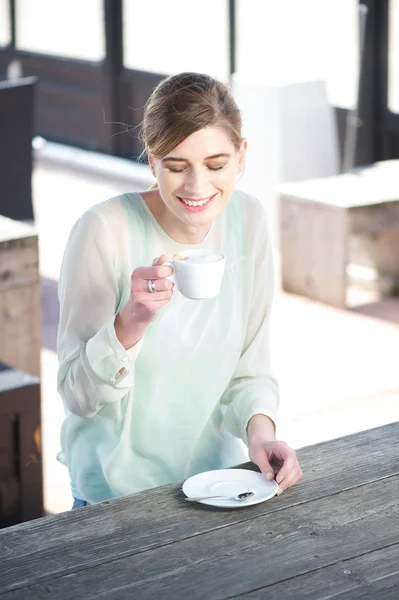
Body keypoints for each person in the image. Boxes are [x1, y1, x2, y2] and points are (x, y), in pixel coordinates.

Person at [56, 72, 302, 508]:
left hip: (217, 482)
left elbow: (250, 367)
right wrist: (130, 321)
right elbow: (78, 397)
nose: (197, 187)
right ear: (151, 162)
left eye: (216, 164)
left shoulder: (247, 220)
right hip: (112, 495)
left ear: (242, 156)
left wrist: (262, 436)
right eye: (175, 166)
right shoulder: (103, 230)